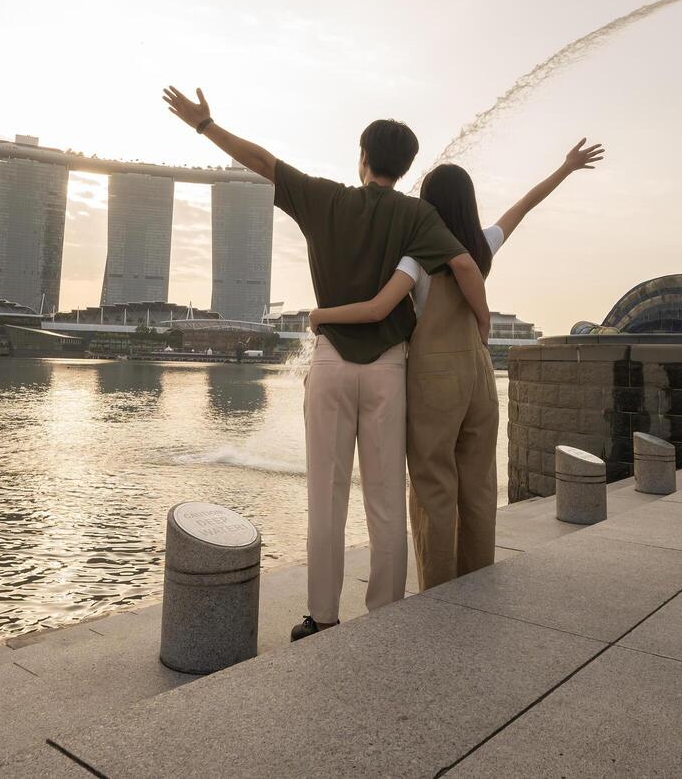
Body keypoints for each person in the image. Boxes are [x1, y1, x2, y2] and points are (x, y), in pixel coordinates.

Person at [161, 85, 492, 640]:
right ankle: (385, 610)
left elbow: (262, 161)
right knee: (386, 498)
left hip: (333, 362)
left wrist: (205, 126)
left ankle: (322, 616)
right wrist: (481, 325)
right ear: (406, 167)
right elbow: (465, 263)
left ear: (362, 158)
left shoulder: (326, 199)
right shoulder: (418, 216)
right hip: (389, 370)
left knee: (327, 496)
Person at [310, 138, 604, 590]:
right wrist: (565, 167)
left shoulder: (417, 255)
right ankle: (476, 578)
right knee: (479, 482)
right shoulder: (482, 244)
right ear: (468, 204)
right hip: (480, 376)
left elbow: (378, 306)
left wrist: (321, 315)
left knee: (433, 484)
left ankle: (439, 588)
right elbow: (523, 206)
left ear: (428, 204)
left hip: (434, 376)